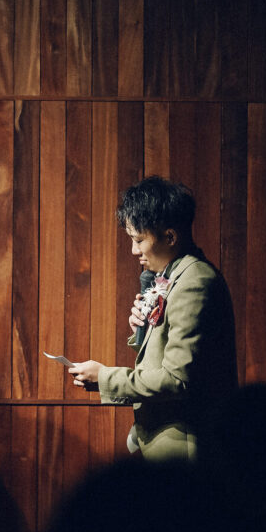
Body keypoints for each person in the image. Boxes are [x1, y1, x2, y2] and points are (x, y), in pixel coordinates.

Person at [68, 176, 236, 461]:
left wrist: (105, 377)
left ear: (170, 237)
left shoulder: (194, 281)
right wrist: (144, 328)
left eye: (139, 240)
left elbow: (177, 379)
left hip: (185, 445)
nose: (134, 251)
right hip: (164, 435)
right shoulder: (175, 275)